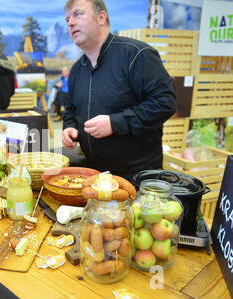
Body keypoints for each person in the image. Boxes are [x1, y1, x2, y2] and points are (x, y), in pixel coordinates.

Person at [61, 0, 177, 181]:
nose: (70, 23)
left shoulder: (137, 54)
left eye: (78, 14)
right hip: (93, 173)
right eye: (67, 18)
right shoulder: (76, 70)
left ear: (101, 17)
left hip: (136, 178)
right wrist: (69, 127)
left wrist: (115, 123)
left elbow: (165, 103)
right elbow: (71, 110)